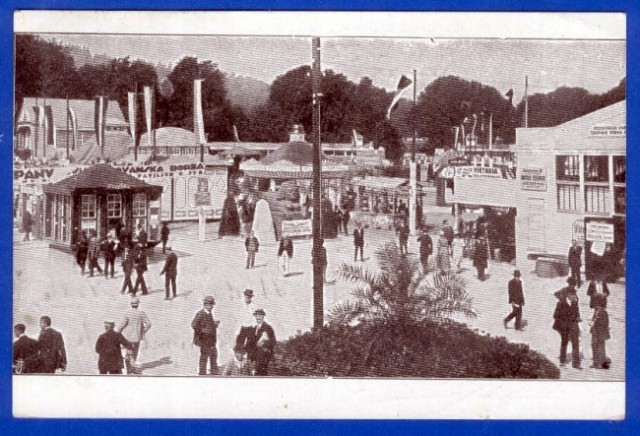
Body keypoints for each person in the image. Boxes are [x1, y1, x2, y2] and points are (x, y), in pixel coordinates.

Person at [116, 297, 152, 375]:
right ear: (138, 304)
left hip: (127, 337)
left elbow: (121, 326)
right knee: (134, 353)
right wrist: (142, 332)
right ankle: (132, 368)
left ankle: (129, 369)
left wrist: (117, 334)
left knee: (129, 353)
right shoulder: (142, 313)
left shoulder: (127, 313)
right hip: (137, 337)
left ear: (131, 304)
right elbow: (149, 324)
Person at [552, 280, 583, 369]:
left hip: (574, 325)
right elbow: (555, 316)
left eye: (574, 295)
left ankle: (576, 364)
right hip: (564, 327)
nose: (574, 297)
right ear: (567, 295)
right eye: (572, 295)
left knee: (576, 344)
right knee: (564, 343)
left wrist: (578, 317)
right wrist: (563, 324)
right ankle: (562, 361)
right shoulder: (560, 303)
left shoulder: (575, 302)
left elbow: (577, 312)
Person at [191, 295, 220, 376]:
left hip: (211, 339)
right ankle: (202, 372)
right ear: (205, 305)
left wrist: (214, 324)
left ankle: (214, 370)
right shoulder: (200, 313)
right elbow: (194, 325)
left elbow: (207, 324)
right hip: (205, 339)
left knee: (214, 354)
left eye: (211, 305)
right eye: (209, 305)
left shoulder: (209, 313)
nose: (211, 307)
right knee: (204, 356)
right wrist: (202, 332)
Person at [249, 309, 276, 376]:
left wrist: (265, 346)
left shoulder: (268, 328)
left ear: (263, 316)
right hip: (254, 357)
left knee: (262, 374)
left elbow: (273, 342)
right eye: (256, 316)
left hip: (264, 357)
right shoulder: (254, 328)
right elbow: (250, 343)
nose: (258, 317)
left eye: (260, 315)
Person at [589, 294, 611, 369]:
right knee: (593, 346)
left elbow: (605, 323)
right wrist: (592, 322)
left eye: (596, 305)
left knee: (600, 348)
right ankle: (595, 362)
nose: (595, 306)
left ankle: (601, 363)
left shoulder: (604, 313)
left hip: (600, 333)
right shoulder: (596, 312)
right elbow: (593, 319)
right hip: (594, 332)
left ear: (600, 305)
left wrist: (596, 321)